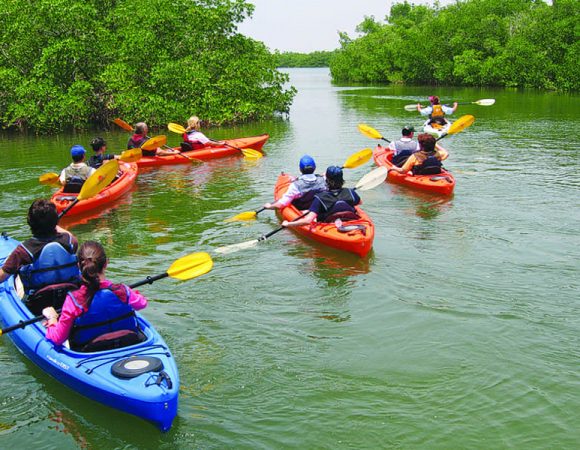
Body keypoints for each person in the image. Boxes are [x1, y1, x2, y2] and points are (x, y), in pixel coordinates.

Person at [42, 240, 148, 352]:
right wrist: (133, 292)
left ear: (79, 266)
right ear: (106, 263)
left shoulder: (74, 300)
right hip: (128, 342)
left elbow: (57, 338)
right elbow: (142, 304)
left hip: (91, 351)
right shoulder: (123, 291)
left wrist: (52, 318)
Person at [0, 199, 80, 314]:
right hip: (70, 299)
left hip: (39, 307)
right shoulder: (70, 241)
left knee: (18, 277)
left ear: (30, 223)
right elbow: (68, 235)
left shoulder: (23, 251)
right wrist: (54, 224)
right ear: (55, 222)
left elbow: (2, 276)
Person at [281, 166, 361, 227]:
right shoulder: (350, 192)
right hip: (351, 221)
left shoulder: (320, 198)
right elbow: (360, 203)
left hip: (329, 225)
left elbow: (308, 221)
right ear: (342, 179)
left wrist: (288, 224)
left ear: (326, 180)